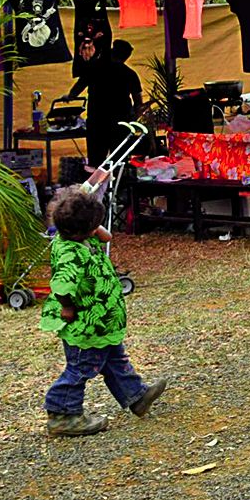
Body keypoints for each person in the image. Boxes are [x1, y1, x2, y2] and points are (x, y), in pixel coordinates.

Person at [40, 185, 168, 437]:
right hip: (86, 325)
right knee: (81, 368)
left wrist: (93, 228)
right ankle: (62, 414)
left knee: (114, 360)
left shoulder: (80, 237)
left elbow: (107, 237)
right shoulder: (69, 252)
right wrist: (66, 306)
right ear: (84, 229)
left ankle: (136, 396)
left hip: (102, 323)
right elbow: (61, 284)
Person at [66, 37, 143, 172]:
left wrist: (69, 97)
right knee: (119, 159)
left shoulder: (95, 67)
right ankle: (118, 186)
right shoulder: (129, 73)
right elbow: (138, 101)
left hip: (97, 119)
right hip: (120, 121)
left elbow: (79, 86)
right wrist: (134, 118)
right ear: (126, 56)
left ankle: (96, 188)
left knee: (96, 161)